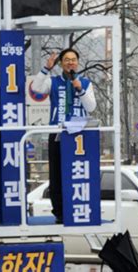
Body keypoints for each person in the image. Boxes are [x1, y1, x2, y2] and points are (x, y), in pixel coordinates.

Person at [31, 48, 97, 223]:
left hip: (79, 135)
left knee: (77, 172)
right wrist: (46, 68)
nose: (70, 62)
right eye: (66, 59)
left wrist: (80, 89)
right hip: (58, 133)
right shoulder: (53, 82)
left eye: (73, 59)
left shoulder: (85, 82)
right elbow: (36, 88)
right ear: (61, 63)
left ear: (78, 62)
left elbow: (91, 107)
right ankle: (59, 211)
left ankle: (77, 207)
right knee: (56, 174)